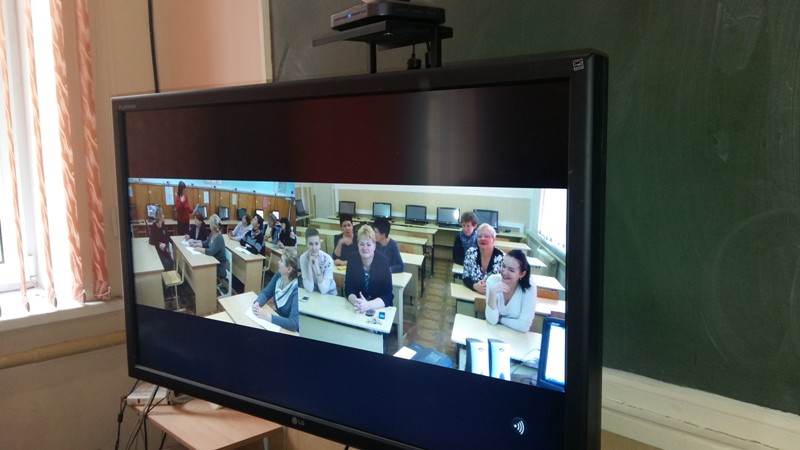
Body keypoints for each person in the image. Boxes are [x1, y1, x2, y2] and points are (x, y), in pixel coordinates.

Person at [485, 250, 537, 332]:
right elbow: (492, 320)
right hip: (493, 332)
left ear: (522, 274)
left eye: (511, 270)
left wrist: (500, 319)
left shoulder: (529, 287)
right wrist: (493, 292)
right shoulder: (492, 281)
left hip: (517, 336)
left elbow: (524, 326)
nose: (504, 272)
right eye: (503, 266)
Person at [345, 225, 394, 313]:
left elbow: (387, 295)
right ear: (358, 245)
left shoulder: (383, 262)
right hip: (358, 308)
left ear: (374, 246)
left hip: (378, 308)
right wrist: (358, 303)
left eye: (368, 244)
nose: (365, 248)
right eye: (361, 244)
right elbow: (349, 289)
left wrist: (368, 305)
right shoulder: (352, 260)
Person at [252, 249, 300, 332]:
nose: (278, 262)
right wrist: (257, 303)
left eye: (281, 261)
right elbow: (266, 293)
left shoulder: (296, 289)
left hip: (291, 330)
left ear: (289, 269)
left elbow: (294, 324)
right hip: (279, 322)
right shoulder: (278, 275)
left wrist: (268, 317)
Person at [462, 223, 504, 294]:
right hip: (473, 294)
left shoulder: (502, 258)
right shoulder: (470, 253)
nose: (482, 239)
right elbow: (465, 276)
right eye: (479, 236)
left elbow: (506, 283)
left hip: (494, 296)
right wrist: (475, 286)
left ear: (494, 239)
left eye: (486, 236)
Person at [188, 214, 227, 289]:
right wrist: (195, 244)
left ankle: (205, 288)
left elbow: (210, 252)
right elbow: (205, 243)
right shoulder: (212, 234)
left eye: (210, 224)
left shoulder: (219, 238)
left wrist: (198, 249)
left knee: (201, 268)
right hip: (211, 261)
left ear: (212, 226)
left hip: (218, 267)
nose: (209, 225)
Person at [298, 227, 337, 295]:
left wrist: (317, 267)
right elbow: (309, 289)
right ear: (306, 244)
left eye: (316, 244)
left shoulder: (328, 259)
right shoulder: (303, 258)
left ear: (320, 244)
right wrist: (309, 265)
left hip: (329, 293)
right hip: (314, 292)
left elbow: (324, 290)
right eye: (311, 244)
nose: (314, 248)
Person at [148, 206, 174, 270]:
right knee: (166, 264)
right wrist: (159, 245)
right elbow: (151, 241)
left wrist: (165, 244)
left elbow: (167, 237)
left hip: (163, 248)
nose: (164, 216)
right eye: (162, 214)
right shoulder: (154, 226)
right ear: (159, 216)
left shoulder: (163, 225)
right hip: (157, 249)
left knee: (171, 262)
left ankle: (171, 275)